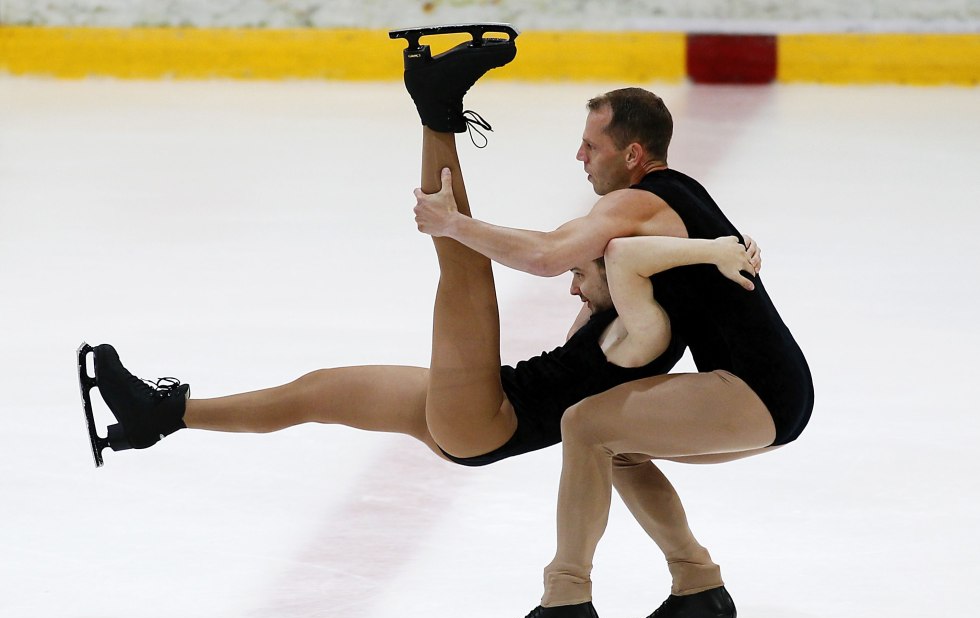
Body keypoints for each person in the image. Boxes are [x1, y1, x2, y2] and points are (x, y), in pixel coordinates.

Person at [77, 32, 759, 485]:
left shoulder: (647, 322)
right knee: (316, 389)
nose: (583, 276)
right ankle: (161, 416)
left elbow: (574, 255)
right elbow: (583, 256)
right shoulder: (617, 304)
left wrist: (459, 223)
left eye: (593, 146)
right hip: (487, 402)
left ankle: (437, 111)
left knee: (463, 266)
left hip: (486, 420)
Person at [411, 80, 813, 618]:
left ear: (632, 155)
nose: (580, 158)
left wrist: (454, 226)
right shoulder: (678, 196)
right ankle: (698, 588)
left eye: (590, 146)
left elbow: (550, 256)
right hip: (772, 388)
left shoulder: (640, 201)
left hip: (755, 390)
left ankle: (565, 600)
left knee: (587, 425)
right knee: (618, 447)